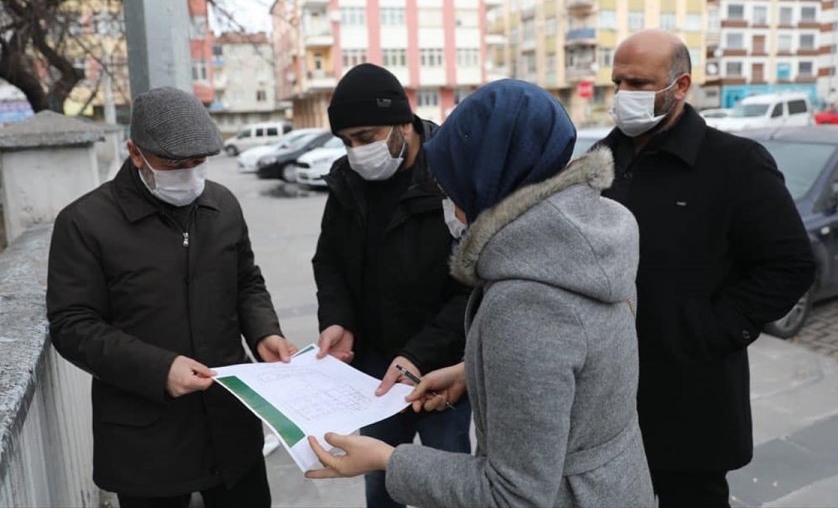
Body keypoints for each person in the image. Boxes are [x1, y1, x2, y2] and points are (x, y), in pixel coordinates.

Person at [306, 79, 656, 507]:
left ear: (488, 182)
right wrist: (475, 370)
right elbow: (577, 365)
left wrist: (387, 460)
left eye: (453, 193)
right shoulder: (587, 240)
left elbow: (513, 495)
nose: (450, 210)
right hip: (612, 486)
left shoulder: (523, 302)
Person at [46, 87, 296, 508]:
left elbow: (247, 281)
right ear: (135, 153)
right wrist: (160, 369)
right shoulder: (84, 222)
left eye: (199, 162)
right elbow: (73, 326)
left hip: (229, 425)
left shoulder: (222, 204)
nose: (190, 175)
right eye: (175, 164)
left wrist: (264, 333)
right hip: (145, 440)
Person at [597, 30, 816, 507]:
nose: (623, 95)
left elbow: (790, 264)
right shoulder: (600, 162)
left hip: (692, 395)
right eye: (617, 82)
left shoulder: (735, 162)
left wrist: (713, 329)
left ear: (680, 86)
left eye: (639, 82)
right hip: (607, 392)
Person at [312, 63, 472, 508]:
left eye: (367, 137)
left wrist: (421, 355)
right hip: (375, 372)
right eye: (346, 142)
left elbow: (477, 286)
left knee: (449, 484)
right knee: (382, 486)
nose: (357, 151)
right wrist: (338, 319)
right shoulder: (347, 180)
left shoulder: (455, 175)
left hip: (443, 371)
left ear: (405, 122)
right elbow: (329, 262)